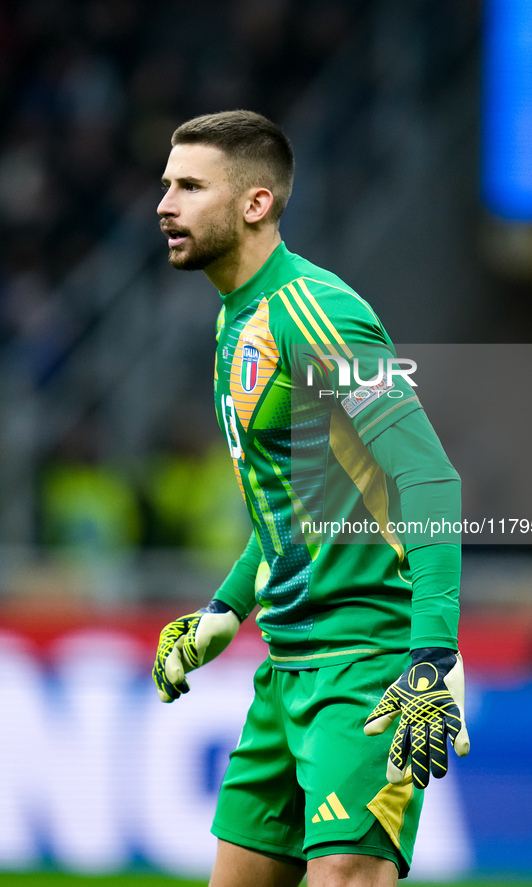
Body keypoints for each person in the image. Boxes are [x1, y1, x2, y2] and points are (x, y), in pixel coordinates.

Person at [152, 110, 470, 887]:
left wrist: (430, 652)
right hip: (287, 668)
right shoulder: (236, 320)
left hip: (365, 669)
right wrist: (227, 607)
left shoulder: (316, 314)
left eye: (190, 186)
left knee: (344, 877)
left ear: (255, 203)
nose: (164, 204)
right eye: (165, 184)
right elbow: (298, 501)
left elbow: (428, 481)